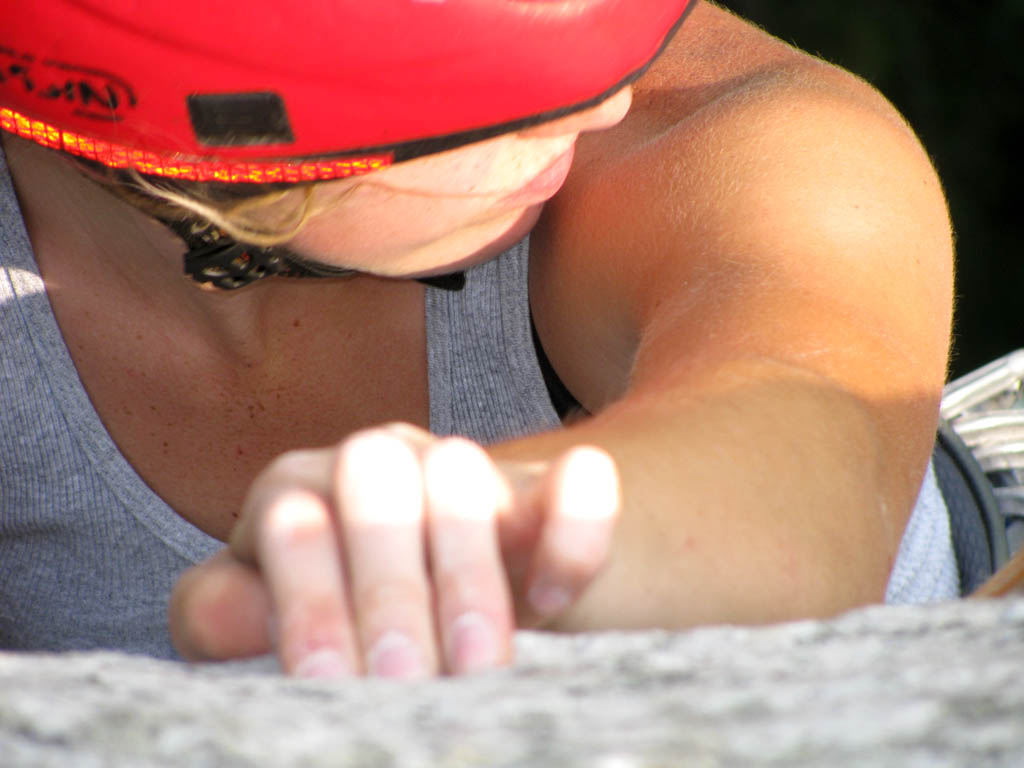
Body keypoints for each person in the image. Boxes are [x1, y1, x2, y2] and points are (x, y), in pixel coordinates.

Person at [0, 0, 956, 678]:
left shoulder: (744, 143)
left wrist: (515, 528)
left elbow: (808, 447)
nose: (605, 99)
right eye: (495, 85)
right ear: (219, 130)